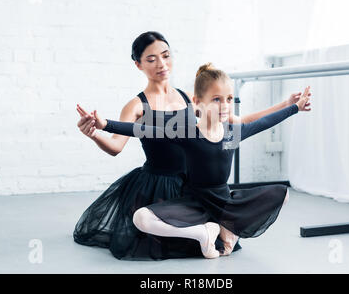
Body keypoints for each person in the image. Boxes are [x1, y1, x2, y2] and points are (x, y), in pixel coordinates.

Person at [74, 31, 311, 260]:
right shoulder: (136, 105)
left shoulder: (190, 98)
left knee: (205, 238)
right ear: (139, 65)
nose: (161, 63)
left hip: (191, 183)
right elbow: (117, 145)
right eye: (151, 59)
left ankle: (216, 229)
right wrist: (96, 131)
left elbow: (240, 123)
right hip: (157, 183)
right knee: (151, 236)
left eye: (166, 55)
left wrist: (285, 105)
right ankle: (204, 230)